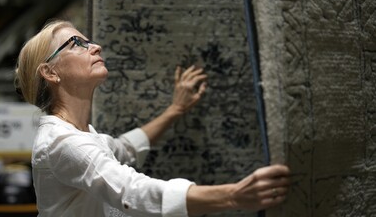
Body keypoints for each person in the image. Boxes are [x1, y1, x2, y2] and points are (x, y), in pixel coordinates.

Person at [15, 19, 290, 217]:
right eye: (77, 43)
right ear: (50, 73)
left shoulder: (82, 135)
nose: (95, 46)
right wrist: (232, 196)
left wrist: (175, 110)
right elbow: (129, 192)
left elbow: (124, 149)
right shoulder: (64, 143)